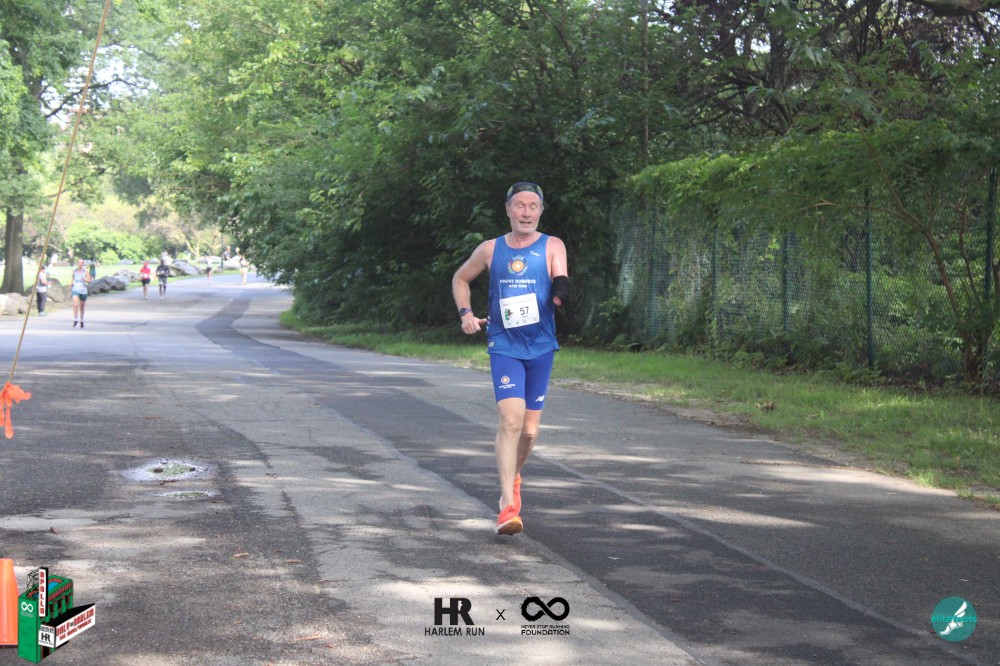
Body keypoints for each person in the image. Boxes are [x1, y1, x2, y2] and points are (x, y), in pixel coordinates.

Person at [452, 182, 569, 535]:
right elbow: (460, 278)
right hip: (504, 345)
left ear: (541, 211)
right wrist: (465, 313)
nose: (526, 212)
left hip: (541, 345)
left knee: (529, 432)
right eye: (520, 205)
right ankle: (507, 506)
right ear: (508, 210)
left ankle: (513, 477)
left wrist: (560, 295)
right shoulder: (491, 249)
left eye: (533, 206)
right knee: (510, 421)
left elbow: (561, 277)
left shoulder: (552, 245)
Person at [71, 258, 92, 328]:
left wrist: (85, 279)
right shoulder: (74, 271)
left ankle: (82, 320)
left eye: (81, 263)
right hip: (75, 289)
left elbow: (89, 281)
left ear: (83, 264)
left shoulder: (86, 271)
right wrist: (71, 283)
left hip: (83, 289)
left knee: (81, 306)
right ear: (77, 263)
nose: (80, 264)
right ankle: (75, 319)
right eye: (79, 262)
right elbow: (72, 278)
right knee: (75, 304)